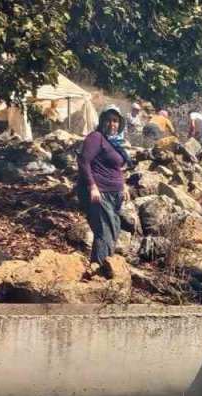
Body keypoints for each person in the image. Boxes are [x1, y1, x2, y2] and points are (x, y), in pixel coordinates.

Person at [77, 106, 132, 272]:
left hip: (115, 194)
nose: (112, 124)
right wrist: (92, 187)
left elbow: (116, 168)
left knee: (114, 230)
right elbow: (83, 161)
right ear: (102, 121)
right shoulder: (96, 137)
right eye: (108, 120)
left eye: (115, 121)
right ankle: (99, 270)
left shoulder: (113, 142)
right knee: (104, 232)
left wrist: (123, 185)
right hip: (100, 193)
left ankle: (101, 267)